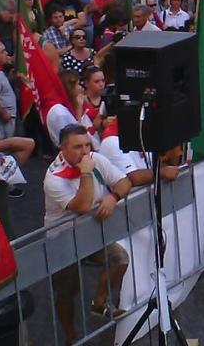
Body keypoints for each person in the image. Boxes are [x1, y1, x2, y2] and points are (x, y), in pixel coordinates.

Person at [44, 124, 132, 343]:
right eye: (77, 147)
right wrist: (86, 172)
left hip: (90, 232)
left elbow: (124, 181)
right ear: (61, 148)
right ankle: (70, 336)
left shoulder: (95, 158)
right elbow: (82, 206)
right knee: (66, 292)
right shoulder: (53, 178)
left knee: (120, 260)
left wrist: (113, 197)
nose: (85, 152)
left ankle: (99, 302)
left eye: (87, 145)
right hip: (62, 239)